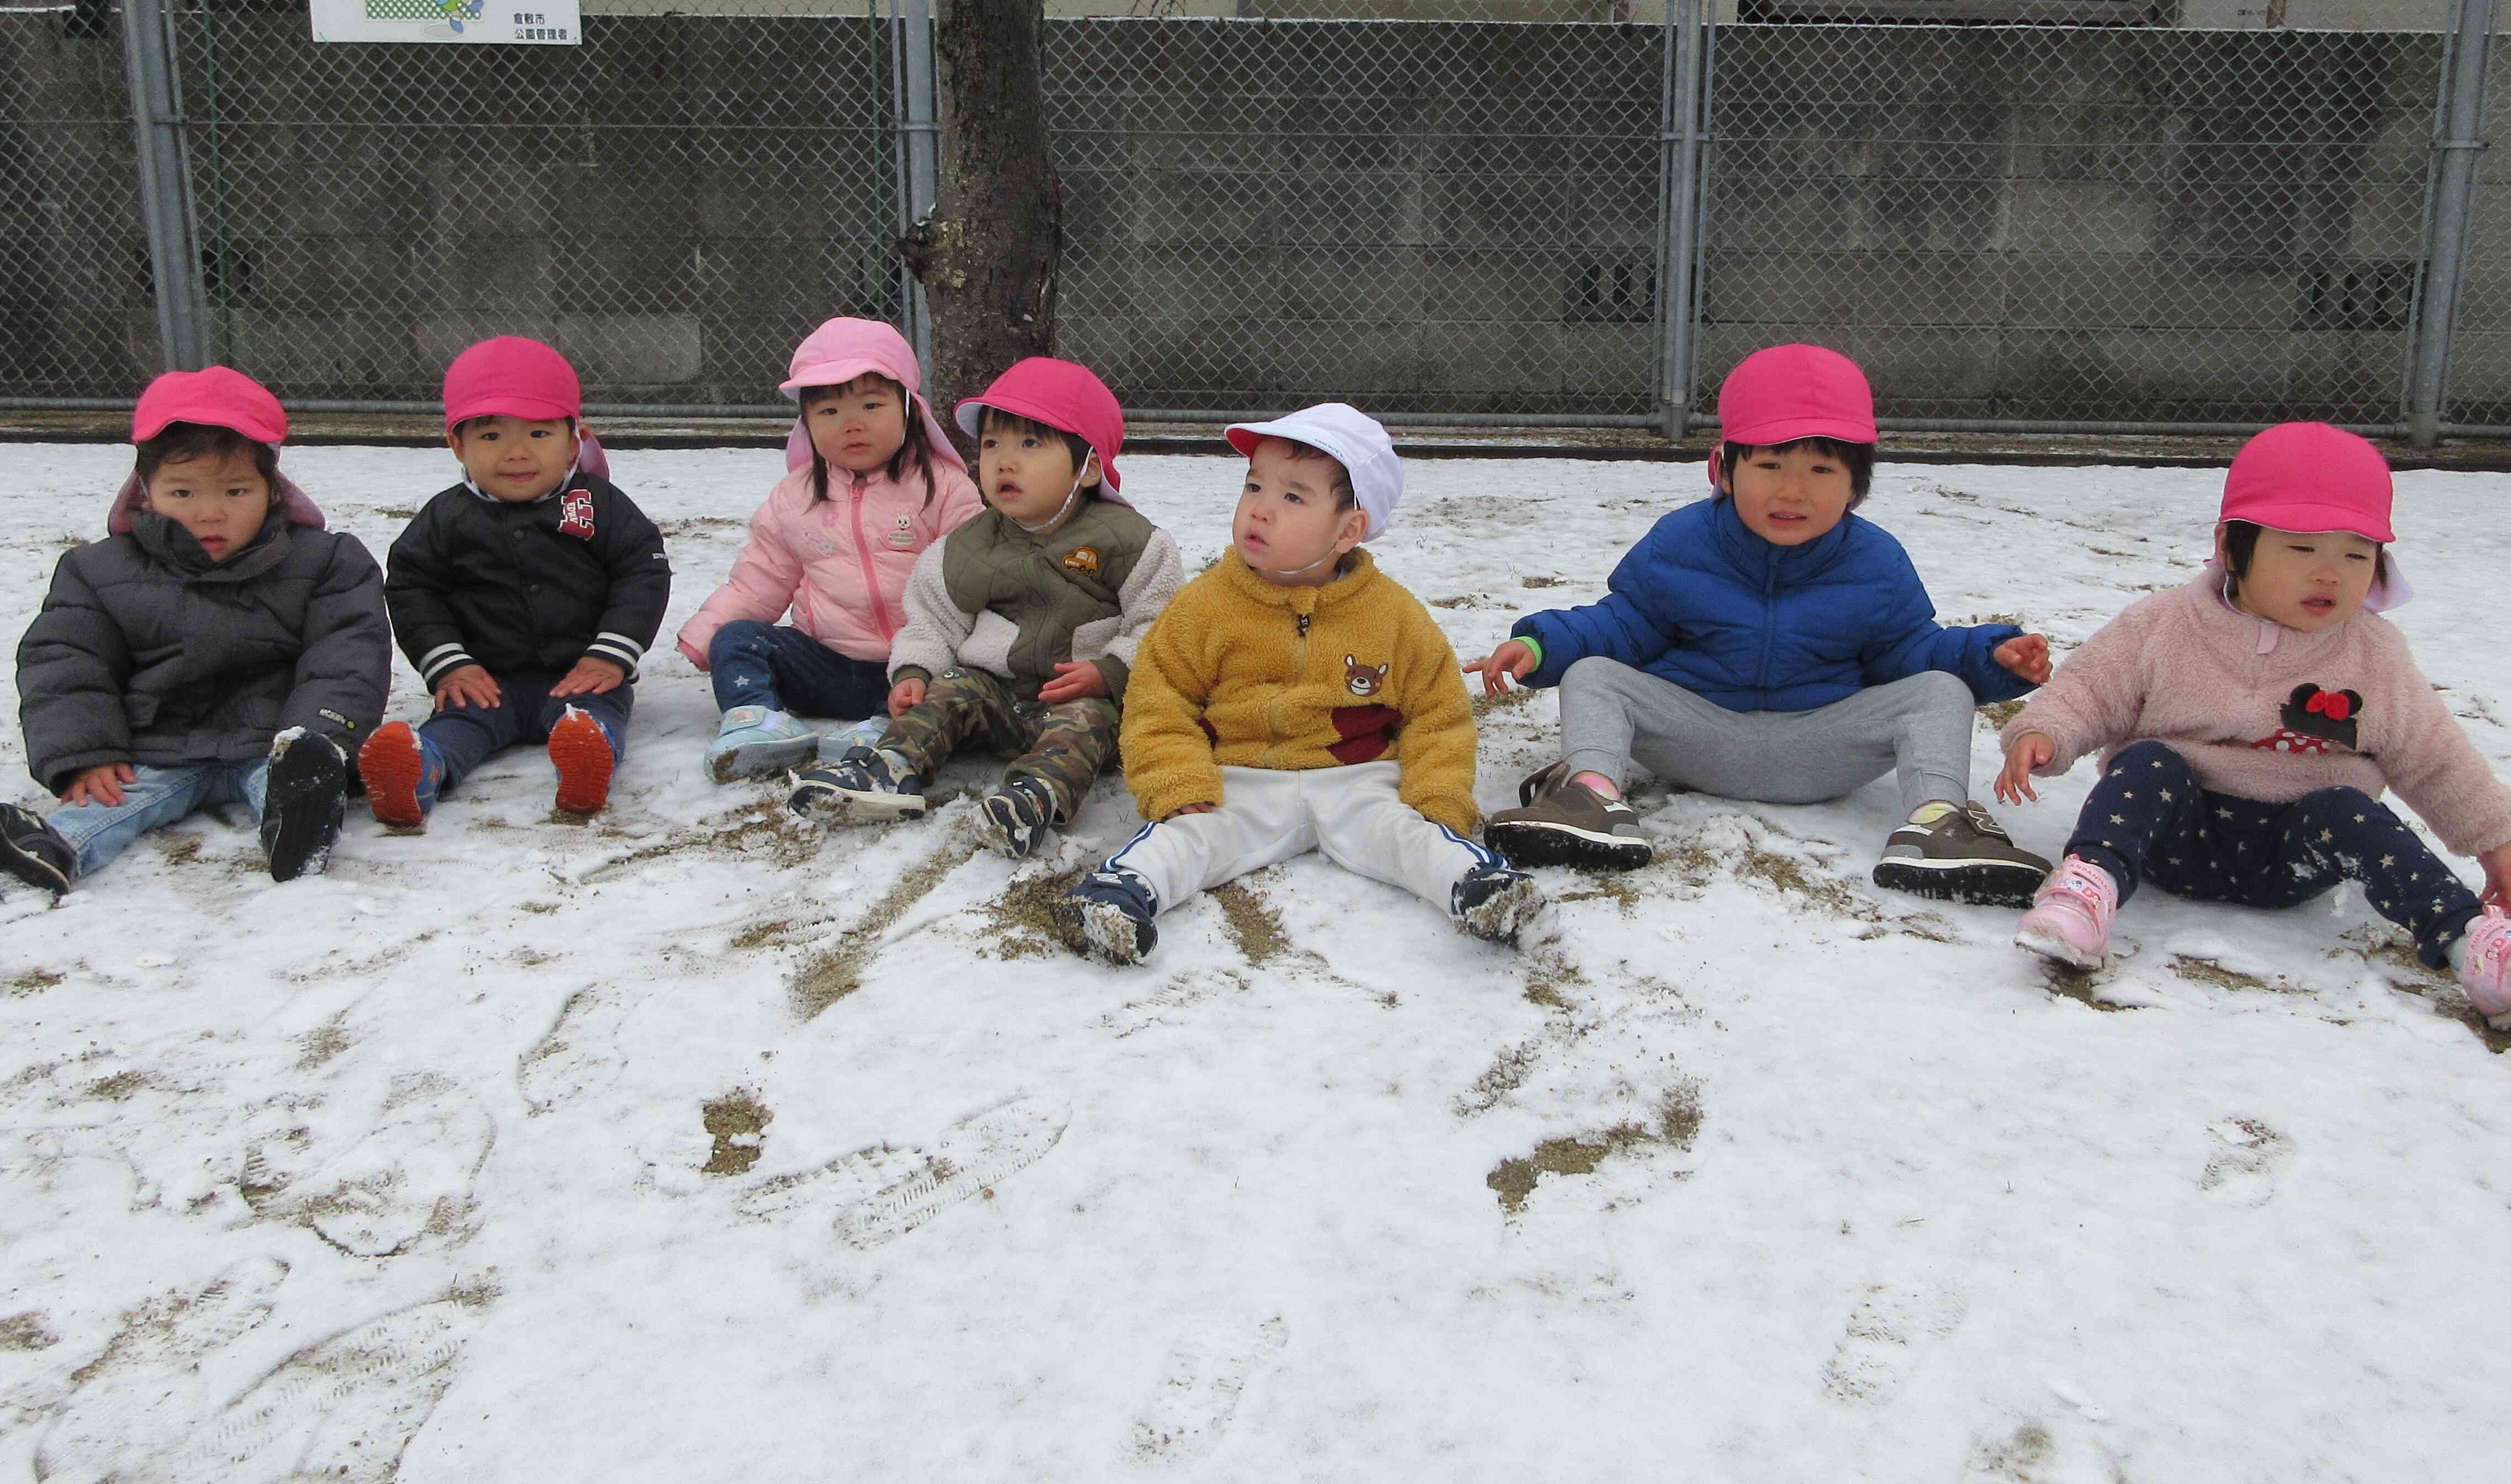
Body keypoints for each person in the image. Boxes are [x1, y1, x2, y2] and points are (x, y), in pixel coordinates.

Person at [1467, 343, 2053, 907]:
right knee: (1594, 673)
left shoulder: (1876, 562)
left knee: (1940, 690)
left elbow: (1912, 652)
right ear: (1723, 470)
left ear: (1855, 485)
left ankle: (1937, 826)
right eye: (1770, 464)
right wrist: (1538, 645)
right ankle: (1589, 799)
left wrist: (1989, 658)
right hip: (1697, 737)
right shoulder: (1681, 541)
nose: (1791, 491)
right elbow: (1623, 625)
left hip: (1820, 749)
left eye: (1820, 469)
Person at [1996, 422, 2511, 1024]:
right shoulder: (2164, 625)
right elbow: (2089, 688)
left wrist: (2494, 839)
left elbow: (2432, 754)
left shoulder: (2374, 655)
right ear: (2229, 547)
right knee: (2146, 762)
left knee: (2348, 808)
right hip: (2172, 832)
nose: (2329, 574)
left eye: (2354, 554)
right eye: (2300, 550)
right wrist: (2042, 733)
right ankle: (2085, 894)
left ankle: (2469, 942)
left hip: (2293, 852)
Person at [1058, 403, 1543, 964]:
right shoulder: (1204, 606)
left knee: (1409, 837)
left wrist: (1437, 794)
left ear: (1348, 530)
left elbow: (1438, 713)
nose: (1260, 510)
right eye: (1253, 485)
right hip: (1239, 777)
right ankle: (1117, 896)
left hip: (1359, 778)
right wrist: (1176, 778)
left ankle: (1480, 890)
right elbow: (1158, 696)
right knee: (1188, 839)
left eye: (1292, 497)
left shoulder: (1392, 615)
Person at [3, 367, 388, 893]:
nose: (210, 513)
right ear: (146, 492)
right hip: (158, 747)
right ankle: (47, 851)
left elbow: (346, 656)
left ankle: (299, 832)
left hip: (272, 739)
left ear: (271, 490)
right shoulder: (98, 570)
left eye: (234, 491)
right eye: (182, 493)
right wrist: (86, 752)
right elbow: (66, 661)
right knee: (109, 801)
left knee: (293, 789)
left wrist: (313, 737)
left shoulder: (327, 561)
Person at [787, 357, 1182, 860]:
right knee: (953, 686)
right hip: (998, 698)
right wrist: (913, 670)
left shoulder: (1131, 542)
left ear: (1087, 469)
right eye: (992, 444)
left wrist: (1109, 671)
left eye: (1030, 444)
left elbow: (1164, 623)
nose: (1004, 461)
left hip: (1084, 703)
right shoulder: (969, 546)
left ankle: (1033, 798)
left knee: (1088, 716)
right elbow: (932, 617)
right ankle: (889, 767)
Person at [357, 337, 669, 826]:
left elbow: (642, 570)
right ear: (456, 444)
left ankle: (588, 761)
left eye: (539, 435)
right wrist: (449, 665)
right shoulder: (446, 518)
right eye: (491, 436)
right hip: (484, 682)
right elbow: (412, 588)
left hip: (580, 675)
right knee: (459, 724)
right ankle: (420, 771)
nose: (516, 453)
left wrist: (609, 654)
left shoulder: (598, 504)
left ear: (575, 442)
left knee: (590, 719)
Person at [677, 318, 982, 782]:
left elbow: (974, 579)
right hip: (825, 661)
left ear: (908, 408)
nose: (852, 424)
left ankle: (889, 729)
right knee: (737, 639)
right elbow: (760, 578)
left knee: (958, 682)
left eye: (871, 404)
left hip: (915, 667)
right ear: (807, 423)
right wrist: (705, 636)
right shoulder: (795, 497)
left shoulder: (944, 490)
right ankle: (756, 721)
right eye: (828, 412)